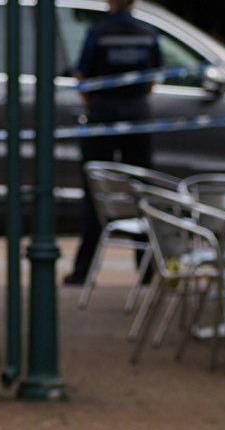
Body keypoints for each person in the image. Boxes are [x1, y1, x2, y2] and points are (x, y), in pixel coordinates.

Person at [66, 0, 163, 286]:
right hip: (137, 115)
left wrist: (97, 104)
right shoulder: (146, 32)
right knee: (141, 191)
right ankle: (147, 272)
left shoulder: (99, 31)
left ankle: (84, 271)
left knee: (97, 192)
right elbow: (151, 77)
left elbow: (82, 76)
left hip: (103, 115)